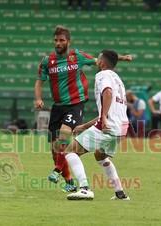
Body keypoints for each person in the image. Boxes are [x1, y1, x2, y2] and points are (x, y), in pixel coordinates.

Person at [34, 25, 132, 192]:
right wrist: (38, 98)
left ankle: (62, 173)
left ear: (68, 42)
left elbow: (100, 61)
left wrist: (121, 58)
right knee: (56, 148)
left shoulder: (77, 56)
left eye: (61, 40)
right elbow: (39, 81)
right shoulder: (47, 61)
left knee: (65, 137)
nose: (58, 43)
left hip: (75, 104)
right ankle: (70, 182)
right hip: (58, 106)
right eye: (56, 40)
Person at [64, 50, 130, 201]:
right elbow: (109, 108)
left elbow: (107, 93)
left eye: (98, 59)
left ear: (102, 63)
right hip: (121, 127)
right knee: (100, 156)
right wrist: (85, 126)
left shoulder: (103, 75)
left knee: (70, 151)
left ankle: (85, 189)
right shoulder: (118, 80)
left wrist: (104, 119)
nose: (96, 61)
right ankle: (120, 194)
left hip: (108, 126)